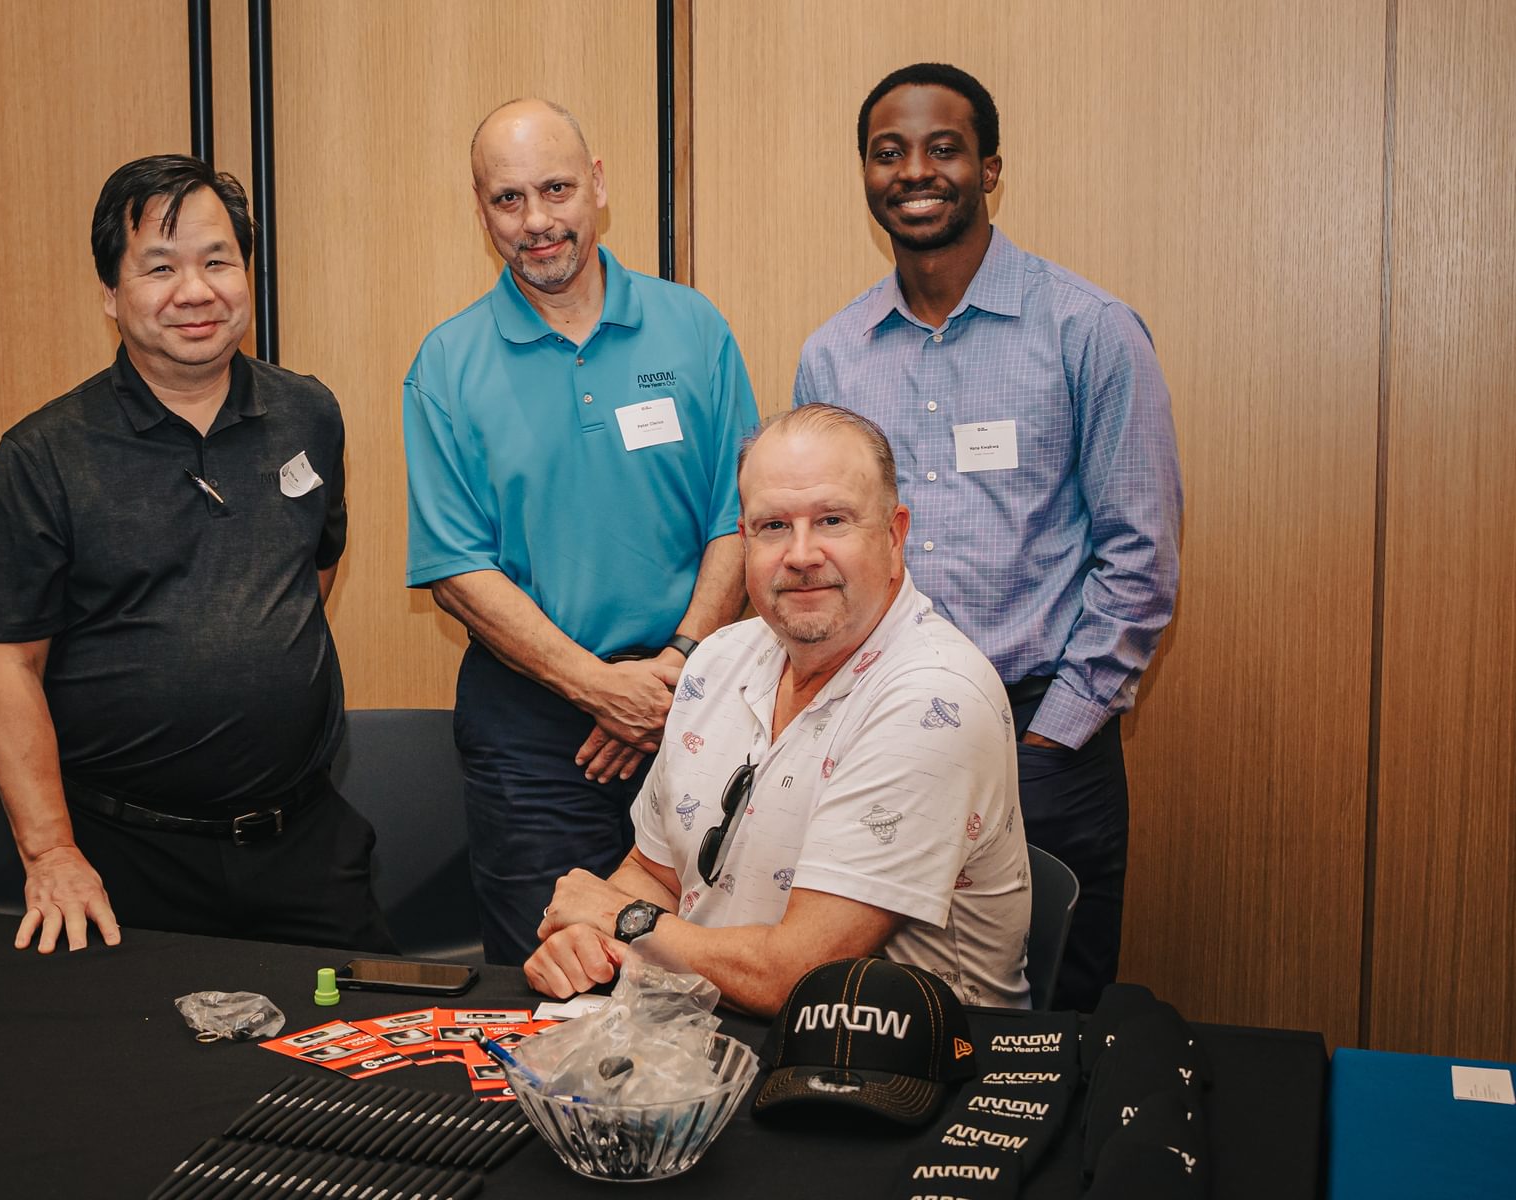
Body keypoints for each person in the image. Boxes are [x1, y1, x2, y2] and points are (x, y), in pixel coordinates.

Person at [794, 63, 1183, 1011]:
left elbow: (1139, 554)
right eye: (890, 152)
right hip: (879, 740)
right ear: (865, 174)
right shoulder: (833, 355)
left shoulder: (1088, 331)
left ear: (990, 168)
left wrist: (1053, 738)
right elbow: (819, 553)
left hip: (1041, 740)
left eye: (943, 147)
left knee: (1057, 1016)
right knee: (884, 1012)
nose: (915, 170)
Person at [0, 154, 393, 955]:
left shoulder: (307, 413)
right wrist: (52, 854)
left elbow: (311, 569)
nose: (195, 291)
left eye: (216, 261)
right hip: (124, 859)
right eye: (159, 267)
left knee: (368, 1062)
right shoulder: (43, 455)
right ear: (110, 293)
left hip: (303, 842)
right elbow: (7, 668)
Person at [524, 405, 1030, 1016]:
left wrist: (617, 917)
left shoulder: (935, 698)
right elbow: (654, 873)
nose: (801, 553)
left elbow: (797, 977)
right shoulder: (717, 660)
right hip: (705, 1035)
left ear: (894, 535)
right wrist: (587, 940)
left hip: (902, 1074)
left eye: (832, 520)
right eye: (772, 527)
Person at [403, 99, 759, 965]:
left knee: (705, 974)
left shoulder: (694, 328)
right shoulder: (447, 365)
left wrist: (668, 673)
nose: (538, 222)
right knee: (558, 977)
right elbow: (458, 569)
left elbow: (740, 518)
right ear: (481, 208)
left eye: (556, 189)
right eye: (508, 199)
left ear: (598, 184)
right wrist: (600, 688)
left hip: (699, 701)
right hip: (533, 734)